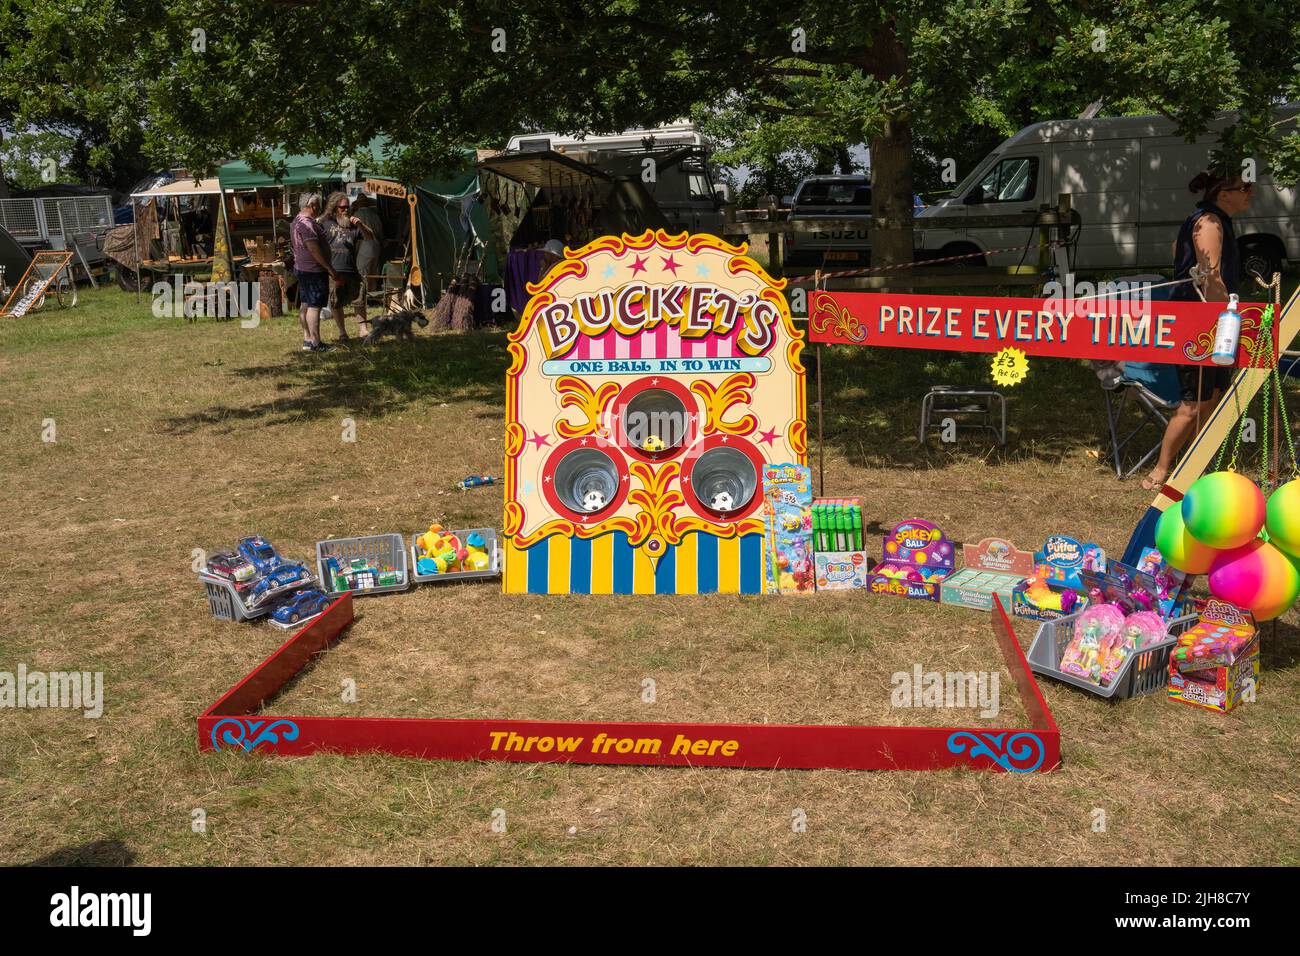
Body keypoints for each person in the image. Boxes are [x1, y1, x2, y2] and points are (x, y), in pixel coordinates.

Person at [1142, 168, 1254, 490]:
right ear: (1223, 194)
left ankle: (1196, 465)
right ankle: (1161, 471)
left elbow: (1178, 253)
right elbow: (1210, 277)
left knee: (1213, 397)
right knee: (1194, 403)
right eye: (1244, 187)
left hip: (1213, 320)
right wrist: (1226, 319)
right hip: (1201, 321)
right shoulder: (1210, 222)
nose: (1250, 193)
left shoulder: (1213, 220)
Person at [318, 191, 376, 340]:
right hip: (334, 271)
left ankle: (363, 329)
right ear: (334, 208)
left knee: (359, 299)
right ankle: (342, 333)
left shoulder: (352, 224)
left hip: (351, 269)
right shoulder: (325, 223)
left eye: (348, 207)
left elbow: (370, 237)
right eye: (343, 207)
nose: (346, 210)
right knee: (336, 303)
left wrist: (361, 224)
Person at [290, 192, 339, 352]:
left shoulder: (297, 220)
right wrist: (328, 267)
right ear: (313, 205)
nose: (319, 208)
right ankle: (316, 343)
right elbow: (313, 249)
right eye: (318, 205)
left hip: (302, 268)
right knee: (314, 306)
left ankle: (307, 340)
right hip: (313, 270)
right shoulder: (307, 224)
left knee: (305, 304)